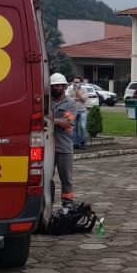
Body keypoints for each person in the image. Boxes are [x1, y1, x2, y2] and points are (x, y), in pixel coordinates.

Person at [50, 73, 76, 203]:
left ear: (64, 86)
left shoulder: (70, 103)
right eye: (54, 86)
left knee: (66, 180)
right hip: (47, 147)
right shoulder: (46, 101)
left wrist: (48, 120)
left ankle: (68, 206)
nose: (56, 88)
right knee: (45, 179)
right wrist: (56, 121)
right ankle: (46, 206)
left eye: (59, 85)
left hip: (64, 147)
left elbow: (67, 122)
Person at [71, 77, 88, 150]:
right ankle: (76, 143)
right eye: (75, 82)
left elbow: (84, 99)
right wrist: (78, 99)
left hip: (82, 111)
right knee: (74, 127)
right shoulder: (70, 89)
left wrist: (77, 92)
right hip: (73, 111)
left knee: (82, 126)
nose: (76, 83)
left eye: (77, 82)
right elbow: (67, 99)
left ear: (80, 83)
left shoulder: (84, 89)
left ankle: (83, 142)